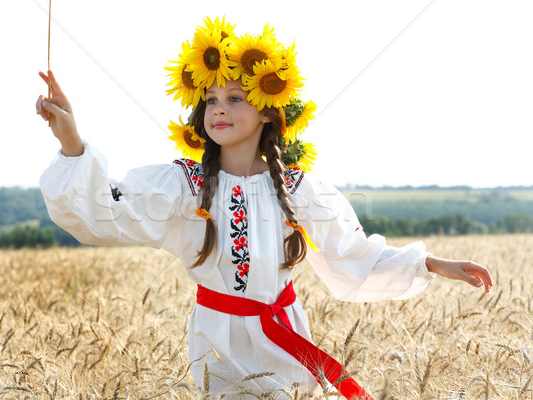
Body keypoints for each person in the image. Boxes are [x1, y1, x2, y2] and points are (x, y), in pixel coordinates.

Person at [36, 17, 492, 400]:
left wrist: (431, 263)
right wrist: (71, 140)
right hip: (217, 342)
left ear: (268, 112)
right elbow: (110, 211)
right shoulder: (184, 185)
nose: (218, 109)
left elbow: (350, 253)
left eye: (235, 98)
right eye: (211, 99)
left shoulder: (296, 186)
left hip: (284, 338)